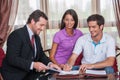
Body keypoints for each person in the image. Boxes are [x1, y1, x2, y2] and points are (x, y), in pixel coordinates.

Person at [1, 10, 61, 80]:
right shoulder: (16, 35)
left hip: (30, 74)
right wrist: (33, 65)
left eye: (44, 26)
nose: (42, 28)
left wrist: (50, 64)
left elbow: (41, 55)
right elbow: (12, 59)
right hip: (15, 75)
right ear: (33, 21)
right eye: (41, 25)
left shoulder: (36, 37)